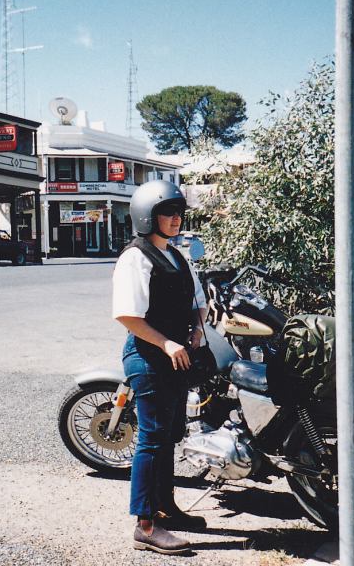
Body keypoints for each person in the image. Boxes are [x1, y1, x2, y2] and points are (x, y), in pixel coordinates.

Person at [112, 180, 208, 555]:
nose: (175, 218)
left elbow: (198, 298)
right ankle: (146, 524)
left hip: (176, 357)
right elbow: (127, 315)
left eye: (178, 212)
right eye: (167, 212)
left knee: (169, 435)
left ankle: (165, 506)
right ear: (146, 216)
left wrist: (197, 329)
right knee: (152, 439)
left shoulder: (176, 256)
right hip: (148, 357)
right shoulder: (135, 257)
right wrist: (167, 342)